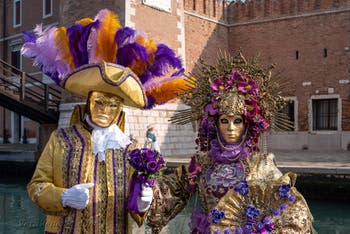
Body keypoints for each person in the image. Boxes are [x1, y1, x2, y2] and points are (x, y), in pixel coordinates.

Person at [22, 9, 185, 233]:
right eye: (99, 102)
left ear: (120, 109)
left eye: (113, 105)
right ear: (89, 101)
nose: (105, 110)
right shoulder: (60, 140)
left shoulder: (131, 149)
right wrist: (64, 196)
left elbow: (136, 208)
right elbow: (36, 186)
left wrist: (142, 202)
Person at [146, 52, 315, 234]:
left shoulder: (261, 163)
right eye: (224, 121)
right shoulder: (203, 162)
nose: (231, 128)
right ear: (215, 124)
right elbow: (173, 189)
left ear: (246, 124)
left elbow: (292, 208)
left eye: (237, 121)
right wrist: (147, 192)